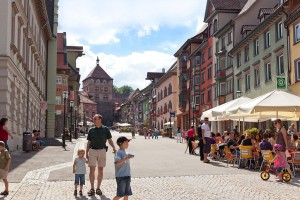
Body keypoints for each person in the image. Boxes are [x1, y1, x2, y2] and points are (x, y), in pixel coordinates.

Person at [86, 114, 117, 196]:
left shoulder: (106, 129)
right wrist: (86, 152)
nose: (94, 120)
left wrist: (114, 147)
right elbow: (88, 142)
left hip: (102, 150)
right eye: (93, 118)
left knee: (100, 170)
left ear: (100, 120)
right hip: (92, 150)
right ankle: (92, 188)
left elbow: (110, 140)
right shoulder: (91, 130)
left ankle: (98, 188)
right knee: (92, 170)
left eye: (95, 118)